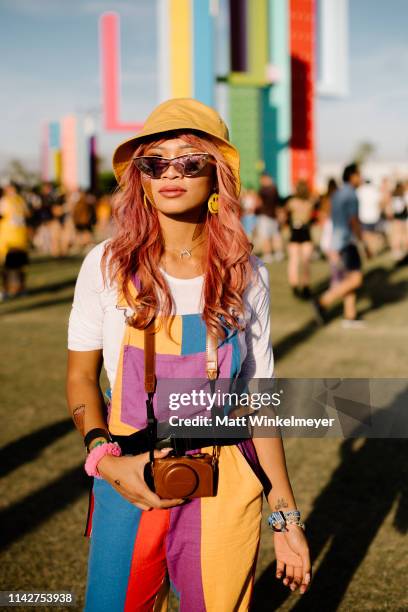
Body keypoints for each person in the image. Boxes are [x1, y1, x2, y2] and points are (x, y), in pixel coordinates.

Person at [66, 98, 311, 611]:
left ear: (216, 173)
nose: (170, 174)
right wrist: (105, 461)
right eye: (154, 163)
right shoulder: (106, 265)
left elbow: (257, 402)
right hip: (128, 475)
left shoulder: (250, 274)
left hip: (225, 484)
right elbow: (82, 377)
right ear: (140, 178)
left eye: (189, 160)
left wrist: (285, 518)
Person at [312, 163, 367, 327]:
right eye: (359, 174)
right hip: (346, 242)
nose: (361, 178)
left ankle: (350, 316)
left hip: (336, 242)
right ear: (352, 176)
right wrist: (364, 243)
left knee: (349, 278)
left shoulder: (337, 194)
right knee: (356, 279)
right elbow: (353, 221)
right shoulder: (351, 195)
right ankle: (322, 301)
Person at [0, 182, 30, 299]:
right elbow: (28, 215)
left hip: (9, 240)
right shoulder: (21, 201)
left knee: (10, 267)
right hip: (18, 239)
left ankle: (8, 290)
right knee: (18, 267)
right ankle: (19, 289)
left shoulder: (5, 201)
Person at [286, 180, 314, 298]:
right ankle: (305, 286)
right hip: (306, 231)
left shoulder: (292, 202)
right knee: (306, 261)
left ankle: (295, 286)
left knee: (294, 260)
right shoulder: (309, 203)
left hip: (295, 232)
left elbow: (286, 215)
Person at [256, 173, 284, 263]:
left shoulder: (262, 190)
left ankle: (268, 255)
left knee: (265, 237)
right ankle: (278, 253)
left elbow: (258, 203)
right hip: (274, 216)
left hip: (264, 216)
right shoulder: (274, 189)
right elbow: (279, 204)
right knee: (276, 236)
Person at [357, 179, 383, 256]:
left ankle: (369, 250)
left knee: (366, 234)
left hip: (363, 216)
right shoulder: (374, 190)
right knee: (373, 234)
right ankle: (373, 250)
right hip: (374, 216)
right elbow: (380, 202)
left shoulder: (360, 190)